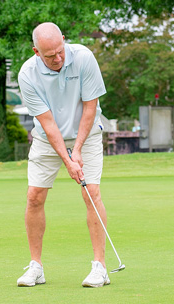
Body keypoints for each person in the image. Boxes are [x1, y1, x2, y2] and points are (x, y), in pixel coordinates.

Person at [16, 22, 109, 288]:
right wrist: (67, 160)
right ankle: (36, 267)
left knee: (90, 191)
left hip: (87, 134)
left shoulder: (83, 58)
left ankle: (100, 267)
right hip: (48, 139)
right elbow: (47, 123)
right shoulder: (27, 74)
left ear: (64, 41)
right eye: (49, 55)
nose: (57, 58)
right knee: (34, 196)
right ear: (36, 51)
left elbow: (90, 108)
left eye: (60, 51)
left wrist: (77, 150)